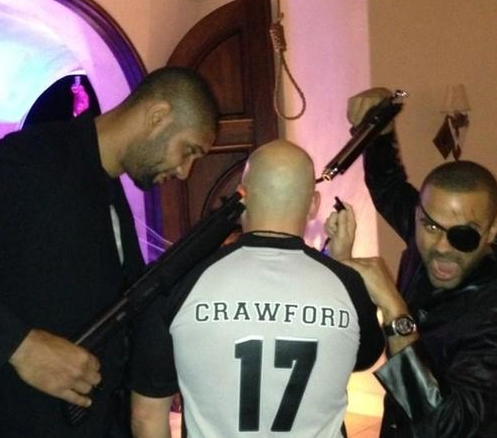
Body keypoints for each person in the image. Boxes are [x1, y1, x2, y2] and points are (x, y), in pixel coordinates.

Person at [0, 66, 218, 438]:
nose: (185, 171)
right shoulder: (31, 159)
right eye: (188, 150)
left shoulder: (108, 189)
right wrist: (18, 345)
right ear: (158, 117)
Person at [128, 139, 385, 437]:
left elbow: (146, 417)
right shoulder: (348, 286)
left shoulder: (178, 283)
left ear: (242, 197)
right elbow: (363, 357)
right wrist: (343, 265)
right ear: (314, 204)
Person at [325, 87, 497, 437]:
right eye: (430, 225)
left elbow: (445, 426)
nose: (442, 247)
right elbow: (387, 183)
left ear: (491, 232)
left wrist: (395, 312)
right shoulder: (427, 240)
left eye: (463, 235)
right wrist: (381, 123)